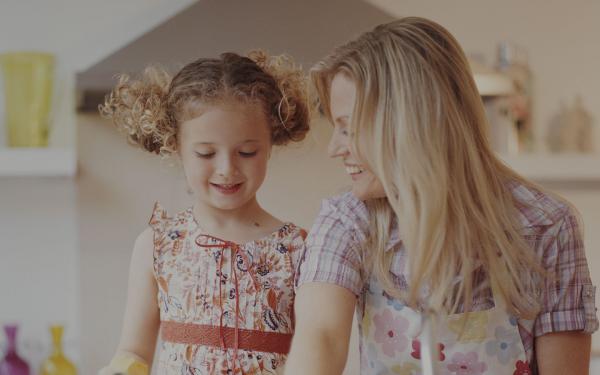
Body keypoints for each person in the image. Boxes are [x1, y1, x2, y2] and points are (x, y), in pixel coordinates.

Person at [286, 17, 598, 375]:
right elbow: (321, 336)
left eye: (348, 128)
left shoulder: (546, 225)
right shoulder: (348, 220)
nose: (334, 148)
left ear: (408, 123)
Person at [98, 51, 310, 375]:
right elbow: (133, 351)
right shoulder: (157, 246)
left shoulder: (298, 250)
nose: (227, 169)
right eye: (206, 153)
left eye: (247, 152)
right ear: (175, 146)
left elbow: (313, 353)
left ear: (271, 143)